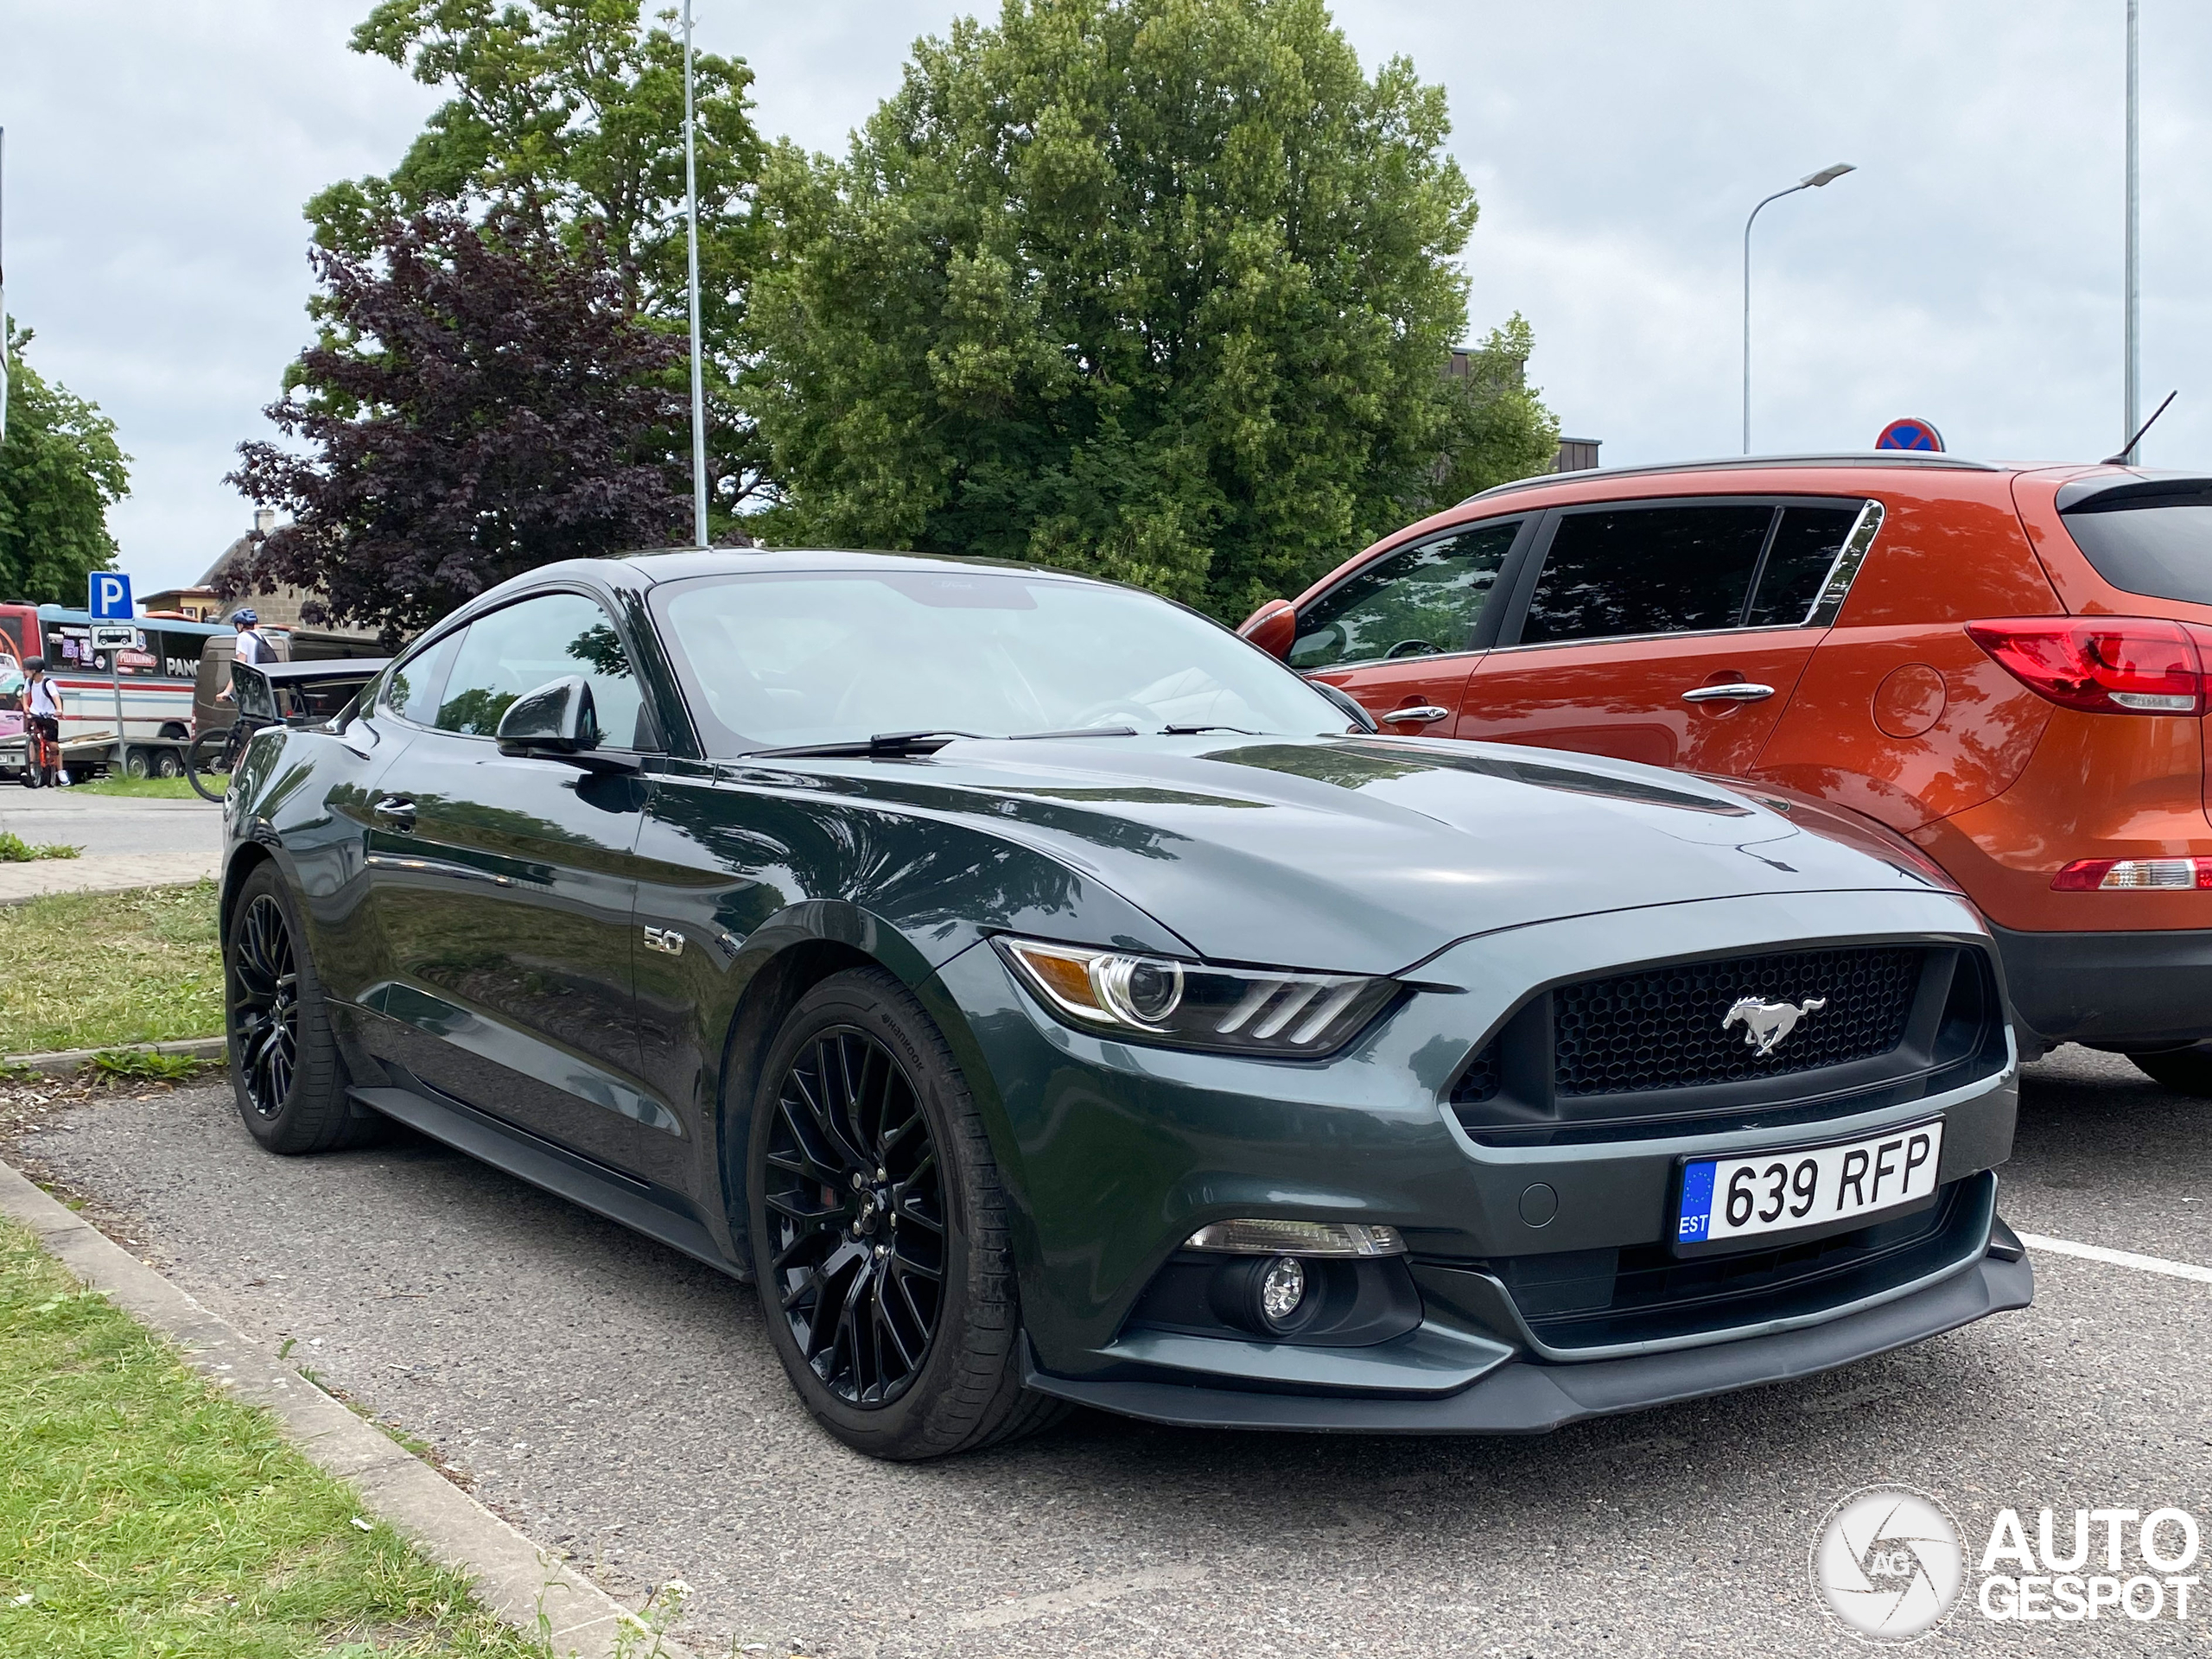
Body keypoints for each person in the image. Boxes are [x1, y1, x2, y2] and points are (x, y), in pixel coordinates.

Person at [216, 610, 272, 703]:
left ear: (240, 625)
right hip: (266, 689)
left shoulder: (243, 637)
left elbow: (240, 667)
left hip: (252, 690)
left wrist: (226, 692)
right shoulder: (264, 639)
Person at [23, 658, 61, 787]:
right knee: (31, 739)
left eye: (27, 669)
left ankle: (59, 771)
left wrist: (59, 709)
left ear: (35, 671)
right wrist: (25, 706)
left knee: (53, 746)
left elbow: (56, 697)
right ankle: (32, 769)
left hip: (49, 716)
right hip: (36, 714)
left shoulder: (48, 683)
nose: (25, 672)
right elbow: (25, 694)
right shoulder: (29, 681)